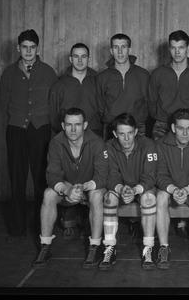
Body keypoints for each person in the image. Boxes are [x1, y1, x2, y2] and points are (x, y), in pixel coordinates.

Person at [31, 108, 108, 269]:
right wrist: (67, 190)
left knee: (96, 195)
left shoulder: (97, 142)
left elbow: (102, 176)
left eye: (77, 125)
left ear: (85, 125)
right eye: (69, 125)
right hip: (67, 187)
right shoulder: (56, 142)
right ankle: (45, 246)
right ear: (63, 125)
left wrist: (84, 187)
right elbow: (52, 175)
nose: (73, 129)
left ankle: (94, 246)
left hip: (89, 188)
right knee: (48, 194)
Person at [0, 29, 57, 241]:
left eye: (32, 47)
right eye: (25, 47)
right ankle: (17, 227)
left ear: (37, 48)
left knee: (41, 179)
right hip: (16, 130)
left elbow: (54, 102)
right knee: (17, 178)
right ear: (18, 48)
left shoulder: (49, 72)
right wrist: (14, 122)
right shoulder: (8, 73)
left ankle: (41, 226)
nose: (29, 51)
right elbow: (2, 103)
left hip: (40, 129)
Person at [99, 113, 158, 270]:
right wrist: (121, 188)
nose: (126, 138)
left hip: (141, 188)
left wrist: (135, 190)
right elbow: (110, 176)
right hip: (121, 188)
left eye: (130, 133)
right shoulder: (109, 146)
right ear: (114, 134)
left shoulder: (148, 145)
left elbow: (151, 177)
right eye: (121, 134)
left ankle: (148, 248)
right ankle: (110, 246)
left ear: (136, 132)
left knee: (149, 199)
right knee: (109, 198)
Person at [155, 108, 189, 270]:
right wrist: (173, 189)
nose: (184, 133)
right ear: (173, 128)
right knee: (160, 197)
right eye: (180, 128)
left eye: (188, 128)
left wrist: (187, 190)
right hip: (170, 188)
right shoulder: (161, 144)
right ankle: (164, 247)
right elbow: (159, 174)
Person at [148, 30, 189, 141]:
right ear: (169, 49)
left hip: (188, 126)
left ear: (187, 48)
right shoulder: (158, 73)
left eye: (181, 47)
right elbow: (151, 101)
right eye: (173, 48)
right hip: (162, 125)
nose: (177, 52)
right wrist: (160, 117)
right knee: (160, 157)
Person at [96, 33, 149, 140]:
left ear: (129, 49)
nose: (120, 51)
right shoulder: (102, 77)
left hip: (137, 126)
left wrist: (140, 118)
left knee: (139, 156)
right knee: (111, 156)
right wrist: (109, 118)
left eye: (123, 47)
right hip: (111, 126)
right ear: (111, 51)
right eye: (116, 47)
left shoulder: (143, 75)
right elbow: (100, 104)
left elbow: (149, 102)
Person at [49, 43, 101, 137]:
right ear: (70, 59)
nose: (80, 60)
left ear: (89, 59)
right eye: (76, 56)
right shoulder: (59, 85)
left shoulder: (99, 81)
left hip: (94, 135)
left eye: (83, 56)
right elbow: (53, 116)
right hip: (67, 135)